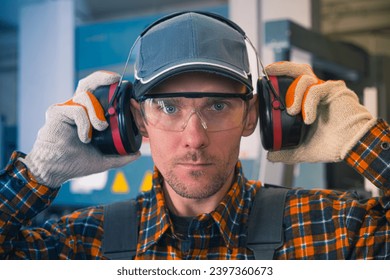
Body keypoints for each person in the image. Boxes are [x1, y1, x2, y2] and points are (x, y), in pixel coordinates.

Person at [0, 11, 389, 260]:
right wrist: (37, 174)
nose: (194, 138)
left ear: (252, 115)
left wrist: (362, 138)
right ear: (137, 120)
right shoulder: (82, 245)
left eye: (217, 106)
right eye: (169, 108)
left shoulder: (335, 232)